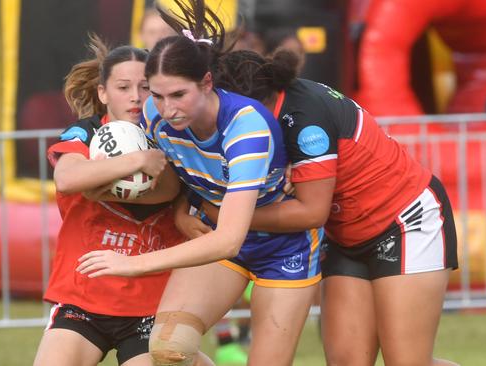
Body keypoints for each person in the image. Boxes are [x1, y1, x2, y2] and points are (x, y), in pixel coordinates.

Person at [76, 1, 322, 365]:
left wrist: (133, 264)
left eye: (178, 95)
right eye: (156, 95)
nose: (167, 108)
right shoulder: (154, 117)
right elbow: (176, 177)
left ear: (207, 83)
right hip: (216, 241)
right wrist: (177, 210)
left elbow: (229, 237)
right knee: (168, 350)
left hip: (282, 250)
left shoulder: (246, 128)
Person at [208, 49, 460, 365]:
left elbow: (312, 212)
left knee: (407, 361)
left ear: (248, 102)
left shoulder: (304, 120)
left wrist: (229, 218)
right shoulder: (271, 111)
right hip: (345, 235)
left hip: (404, 221)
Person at [33, 34, 213, 366]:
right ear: (103, 93)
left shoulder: (173, 137)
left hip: (151, 305)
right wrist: (136, 162)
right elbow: (68, 178)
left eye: (145, 87)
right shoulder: (84, 133)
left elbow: (167, 190)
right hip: (83, 298)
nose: (135, 97)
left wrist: (99, 181)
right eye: (123, 87)